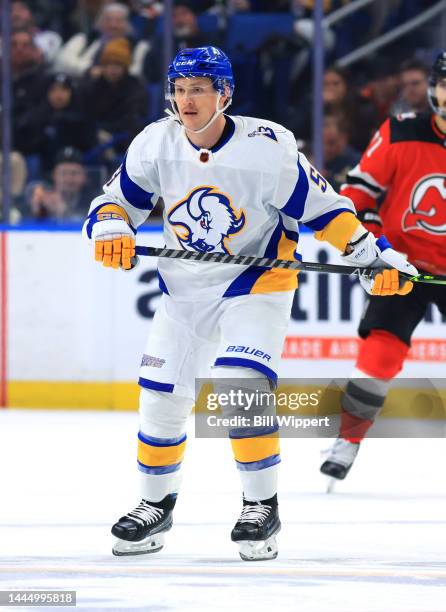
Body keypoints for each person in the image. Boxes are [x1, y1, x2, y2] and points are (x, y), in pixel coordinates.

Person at [83, 46, 416, 560]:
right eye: (179, 88)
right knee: (160, 399)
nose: (186, 99)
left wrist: (372, 256)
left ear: (225, 94)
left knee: (241, 387)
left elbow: (326, 210)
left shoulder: (268, 146)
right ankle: (155, 505)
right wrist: (110, 227)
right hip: (183, 290)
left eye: (199, 88)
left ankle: (261, 508)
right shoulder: (156, 141)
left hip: (254, 284)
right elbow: (114, 201)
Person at [320, 52, 446, 483]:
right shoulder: (400, 129)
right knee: (382, 349)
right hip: (403, 264)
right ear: (433, 88)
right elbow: (357, 193)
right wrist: (378, 247)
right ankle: (349, 439)